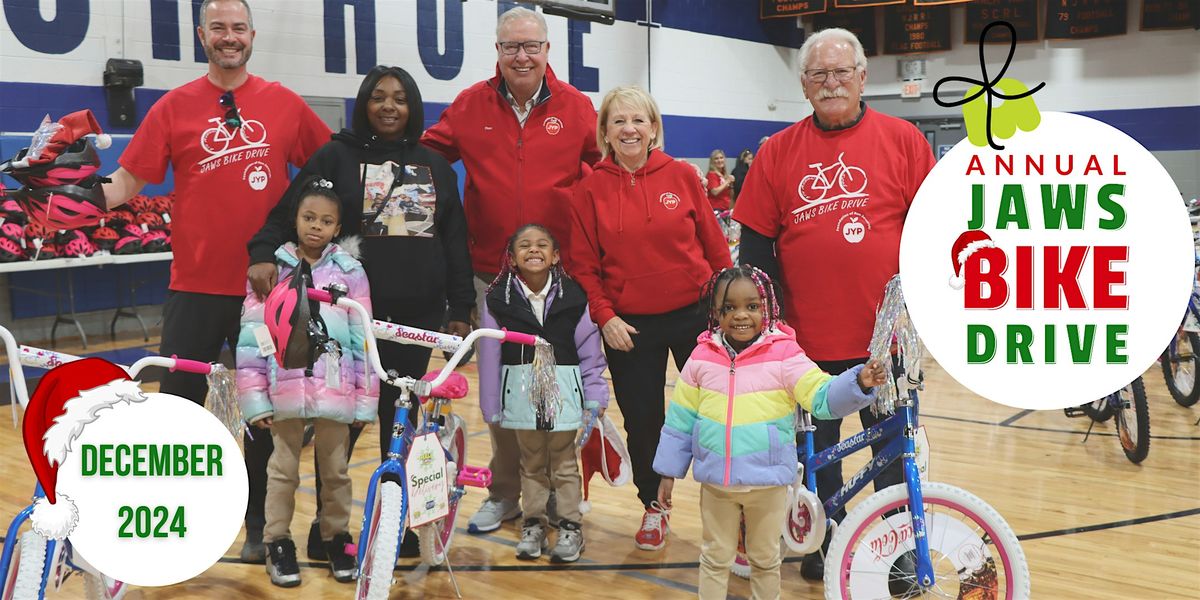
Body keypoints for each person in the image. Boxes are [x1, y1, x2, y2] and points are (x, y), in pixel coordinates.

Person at [98, 0, 332, 563]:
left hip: (268, 292)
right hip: (195, 285)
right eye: (218, 28)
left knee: (261, 413)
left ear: (252, 34)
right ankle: (169, 525)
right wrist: (72, 192)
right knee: (176, 410)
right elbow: (128, 179)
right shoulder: (175, 107)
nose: (229, 37)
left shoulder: (284, 104)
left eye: (238, 28)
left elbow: (329, 170)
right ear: (202, 35)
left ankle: (257, 527)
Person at [246, 64, 473, 560]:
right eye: (378, 97)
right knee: (340, 424)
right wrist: (263, 253)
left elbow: (455, 241)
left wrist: (461, 305)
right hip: (347, 320)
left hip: (415, 320)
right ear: (363, 103)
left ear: (413, 106)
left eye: (399, 98)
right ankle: (328, 532)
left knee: (400, 421)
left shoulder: (435, 166)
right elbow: (291, 212)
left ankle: (396, 520)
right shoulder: (335, 156)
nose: (389, 106)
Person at [732, 27, 935, 581]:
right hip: (807, 345)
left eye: (842, 72)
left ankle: (892, 553)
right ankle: (828, 543)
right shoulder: (776, 152)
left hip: (886, 343)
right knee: (818, 458)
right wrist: (768, 327)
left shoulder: (904, 141)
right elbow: (754, 250)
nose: (831, 83)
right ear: (804, 84)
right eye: (819, 74)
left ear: (863, 78)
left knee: (891, 455)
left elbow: (933, 232)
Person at [421, 6, 602, 534]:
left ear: (548, 50)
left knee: (562, 390)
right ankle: (505, 493)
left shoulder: (575, 107)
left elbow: (604, 169)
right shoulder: (471, 104)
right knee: (503, 392)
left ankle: (564, 494)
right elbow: (427, 155)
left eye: (531, 46)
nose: (521, 56)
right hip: (491, 276)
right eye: (510, 47)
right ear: (496, 52)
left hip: (559, 284)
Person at [654, 265, 886, 599]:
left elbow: (820, 396)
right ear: (715, 313)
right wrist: (667, 473)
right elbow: (680, 420)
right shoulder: (701, 358)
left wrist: (858, 381)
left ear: (769, 308)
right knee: (714, 558)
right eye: (729, 308)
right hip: (716, 485)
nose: (740, 315)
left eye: (752, 306)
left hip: (769, 486)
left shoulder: (785, 355)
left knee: (764, 560)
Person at [569, 85, 732, 551]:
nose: (629, 129)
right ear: (605, 131)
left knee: (719, 414)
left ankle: (735, 507)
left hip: (695, 316)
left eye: (638, 120)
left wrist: (726, 310)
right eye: (618, 121)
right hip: (629, 326)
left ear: (654, 127)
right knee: (644, 421)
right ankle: (654, 506)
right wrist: (605, 318)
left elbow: (716, 249)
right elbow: (585, 266)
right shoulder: (589, 189)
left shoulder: (682, 175)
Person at [236, 178, 377, 587]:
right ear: (295, 220)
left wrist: (365, 403)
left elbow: (363, 341)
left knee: (336, 471)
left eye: (326, 221)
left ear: (338, 227)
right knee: (281, 471)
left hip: (337, 392)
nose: (316, 226)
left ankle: (336, 538)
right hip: (284, 391)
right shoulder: (271, 270)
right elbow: (251, 340)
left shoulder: (352, 272)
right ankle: (277, 541)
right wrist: (255, 400)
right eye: (309, 217)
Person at [477, 224, 608, 563]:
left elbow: (590, 351)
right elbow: (489, 357)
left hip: (564, 392)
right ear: (512, 258)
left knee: (563, 464)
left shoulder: (575, 296)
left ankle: (569, 527)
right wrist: (491, 404)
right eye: (524, 245)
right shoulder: (497, 298)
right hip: (520, 394)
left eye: (542, 245)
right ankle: (533, 524)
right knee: (531, 463)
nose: (533, 250)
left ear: (555, 256)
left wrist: (594, 395)